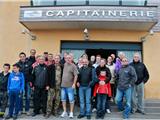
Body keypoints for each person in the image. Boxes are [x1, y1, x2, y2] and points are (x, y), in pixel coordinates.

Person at [60, 54, 79, 118]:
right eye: (67, 58)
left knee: (71, 100)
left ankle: (71, 112)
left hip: (70, 86)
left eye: (69, 58)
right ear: (65, 59)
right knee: (63, 99)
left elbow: (76, 75)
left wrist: (74, 83)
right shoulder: (64, 65)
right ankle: (65, 112)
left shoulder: (73, 66)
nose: (68, 59)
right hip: (63, 86)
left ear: (71, 59)